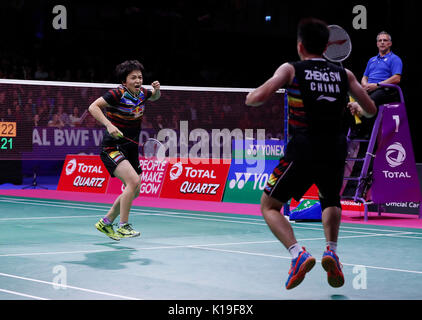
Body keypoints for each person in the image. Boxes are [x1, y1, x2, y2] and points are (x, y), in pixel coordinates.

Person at [245, 18, 376, 290]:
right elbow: (370, 109)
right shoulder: (346, 75)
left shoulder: (291, 69)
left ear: (300, 45)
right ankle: (332, 251)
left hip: (303, 148)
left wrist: (251, 95)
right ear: (328, 46)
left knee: (269, 206)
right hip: (336, 148)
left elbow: (258, 98)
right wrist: (354, 108)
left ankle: (297, 254)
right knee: (330, 199)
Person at [88, 60, 161, 241]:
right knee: (134, 181)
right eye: (133, 77)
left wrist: (157, 90)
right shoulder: (116, 94)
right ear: (124, 81)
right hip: (112, 146)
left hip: (131, 147)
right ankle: (123, 225)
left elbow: (154, 97)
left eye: (140, 77)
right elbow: (93, 107)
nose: (138, 80)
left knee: (135, 189)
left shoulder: (142, 93)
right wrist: (108, 125)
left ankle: (107, 222)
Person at [350, 31, 403, 138]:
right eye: (380, 40)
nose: (382, 42)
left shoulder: (395, 59)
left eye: (385, 40)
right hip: (370, 88)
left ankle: (359, 110)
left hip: (385, 90)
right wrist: (365, 85)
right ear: (377, 44)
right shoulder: (372, 60)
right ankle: (358, 127)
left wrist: (377, 85)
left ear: (390, 43)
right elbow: (364, 77)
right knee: (350, 96)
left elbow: (397, 78)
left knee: (369, 100)